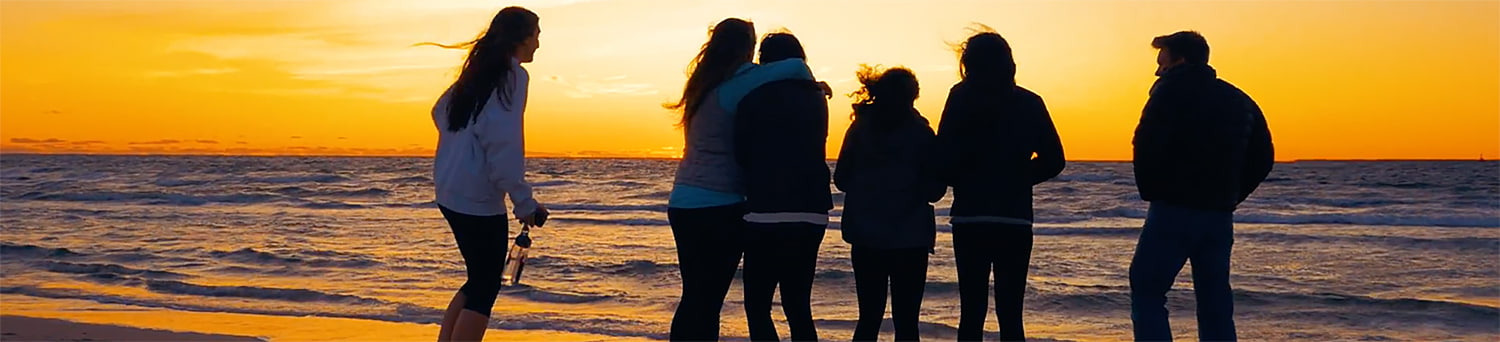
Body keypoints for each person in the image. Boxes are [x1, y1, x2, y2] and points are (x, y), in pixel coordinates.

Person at [664, 19, 819, 341]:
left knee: (694, 296)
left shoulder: (703, 81)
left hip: (683, 200)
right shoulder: (741, 78)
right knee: (709, 301)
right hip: (721, 203)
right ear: (746, 47)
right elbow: (796, 67)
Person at [1129, 31, 1274, 342]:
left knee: (1148, 289)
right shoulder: (1239, 98)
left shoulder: (1167, 93)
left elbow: (1146, 145)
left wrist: (1153, 190)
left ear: (1179, 59)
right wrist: (1231, 194)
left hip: (1173, 209)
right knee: (1215, 299)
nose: (1158, 70)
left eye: (1162, 61)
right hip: (1218, 213)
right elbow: (1263, 157)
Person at [426, 6, 548, 342]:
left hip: (450, 190)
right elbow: (504, 147)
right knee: (485, 285)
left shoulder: (478, 75)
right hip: (476, 198)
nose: (539, 43)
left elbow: (439, 112)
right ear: (521, 38)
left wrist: (462, 145)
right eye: (536, 35)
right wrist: (524, 203)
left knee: (478, 278)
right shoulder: (512, 76)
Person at [935, 30, 1066, 342]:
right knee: (1011, 312)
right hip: (1014, 216)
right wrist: (1017, 177)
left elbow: (943, 155)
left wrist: (963, 179)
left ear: (968, 63)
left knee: (972, 310)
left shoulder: (961, 97)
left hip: (971, 216)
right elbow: (1054, 159)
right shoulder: (1029, 102)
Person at [734, 31, 834, 342]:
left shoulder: (752, 98)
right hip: (812, 209)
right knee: (797, 304)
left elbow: (741, 152)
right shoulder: (817, 97)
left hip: (766, 208)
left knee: (758, 305)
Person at [833, 65, 944, 342]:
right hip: (910, 238)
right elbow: (935, 191)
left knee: (868, 317)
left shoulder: (859, 129)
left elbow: (842, 179)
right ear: (913, 97)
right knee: (907, 323)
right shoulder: (922, 134)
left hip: (866, 234)